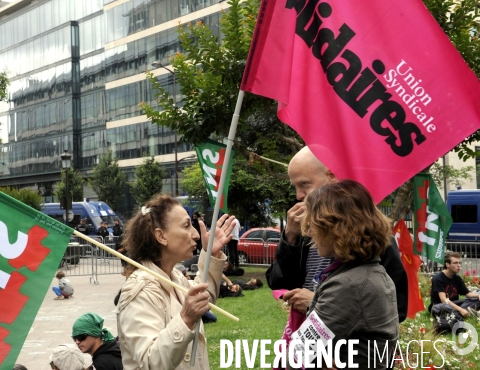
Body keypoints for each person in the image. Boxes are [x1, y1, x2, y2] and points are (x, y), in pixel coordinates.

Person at [266, 146, 408, 321]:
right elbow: (278, 283)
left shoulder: (369, 234)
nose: (298, 195)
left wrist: (316, 303)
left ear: (331, 176)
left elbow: (396, 308)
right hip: (311, 340)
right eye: (295, 186)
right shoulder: (303, 229)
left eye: (304, 184)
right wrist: (290, 238)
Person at [114, 194, 236, 370]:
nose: (195, 235)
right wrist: (185, 318)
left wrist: (212, 254)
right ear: (161, 236)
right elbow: (150, 363)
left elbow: (202, 297)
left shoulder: (175, 277)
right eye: (186, 226)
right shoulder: (140, 291)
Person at [288, 179, 399, 369]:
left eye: (313, 224)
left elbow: (298, 355)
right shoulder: (372, 272)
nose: (309, 232)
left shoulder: (349, 285)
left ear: (336, 228)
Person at [429, 252, 480, 317]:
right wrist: (460, 309)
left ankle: (458, 313)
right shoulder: (438, 278)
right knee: (441, 307)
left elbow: (468, 294)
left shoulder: (457, 278)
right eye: (455, 263)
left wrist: (478, 295)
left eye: (459, 263)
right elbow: (444, 300)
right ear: (447, 264)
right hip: (441, 305)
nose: (458, 265)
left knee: (476, 298)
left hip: (455, 303)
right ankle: (463, 312)